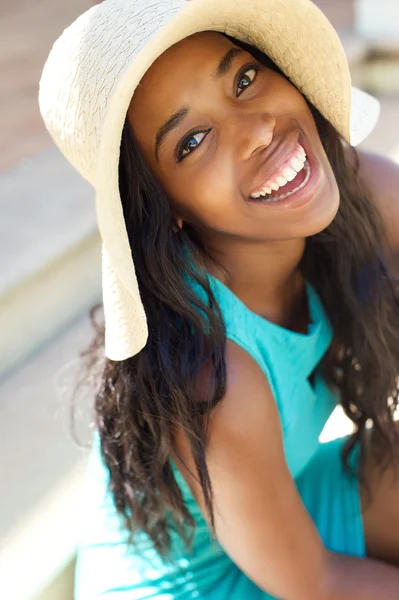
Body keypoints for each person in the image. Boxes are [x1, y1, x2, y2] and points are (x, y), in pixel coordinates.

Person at [38, 0, 399, 598]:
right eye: (193, 140)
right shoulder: (212, 375)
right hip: (197, 587)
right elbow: (317, 581)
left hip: (290, 507)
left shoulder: (354, 190)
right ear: (167, 207)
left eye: (245, 78)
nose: (258, 128)